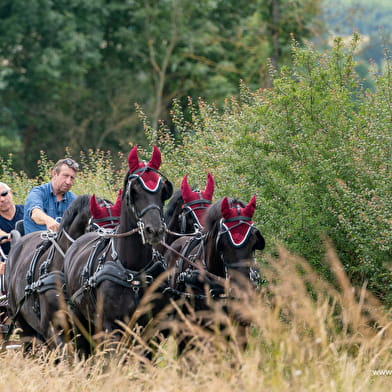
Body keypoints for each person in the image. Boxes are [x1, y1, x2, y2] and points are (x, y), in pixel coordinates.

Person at [23, 158, 79, 234]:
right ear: (54, 174)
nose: (68, 182)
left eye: (72, 178)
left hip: (61, 244)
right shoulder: (37, 192)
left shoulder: (73, 199)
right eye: (65, 176)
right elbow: (35, 214)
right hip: (36, 242)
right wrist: (48, 220)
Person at [0, 182, 24, 256]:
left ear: (11, 192)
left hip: (32, 258)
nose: (2, 199)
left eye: (4, 194)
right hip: (6, 261)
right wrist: (11, 236)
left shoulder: (28, 211)